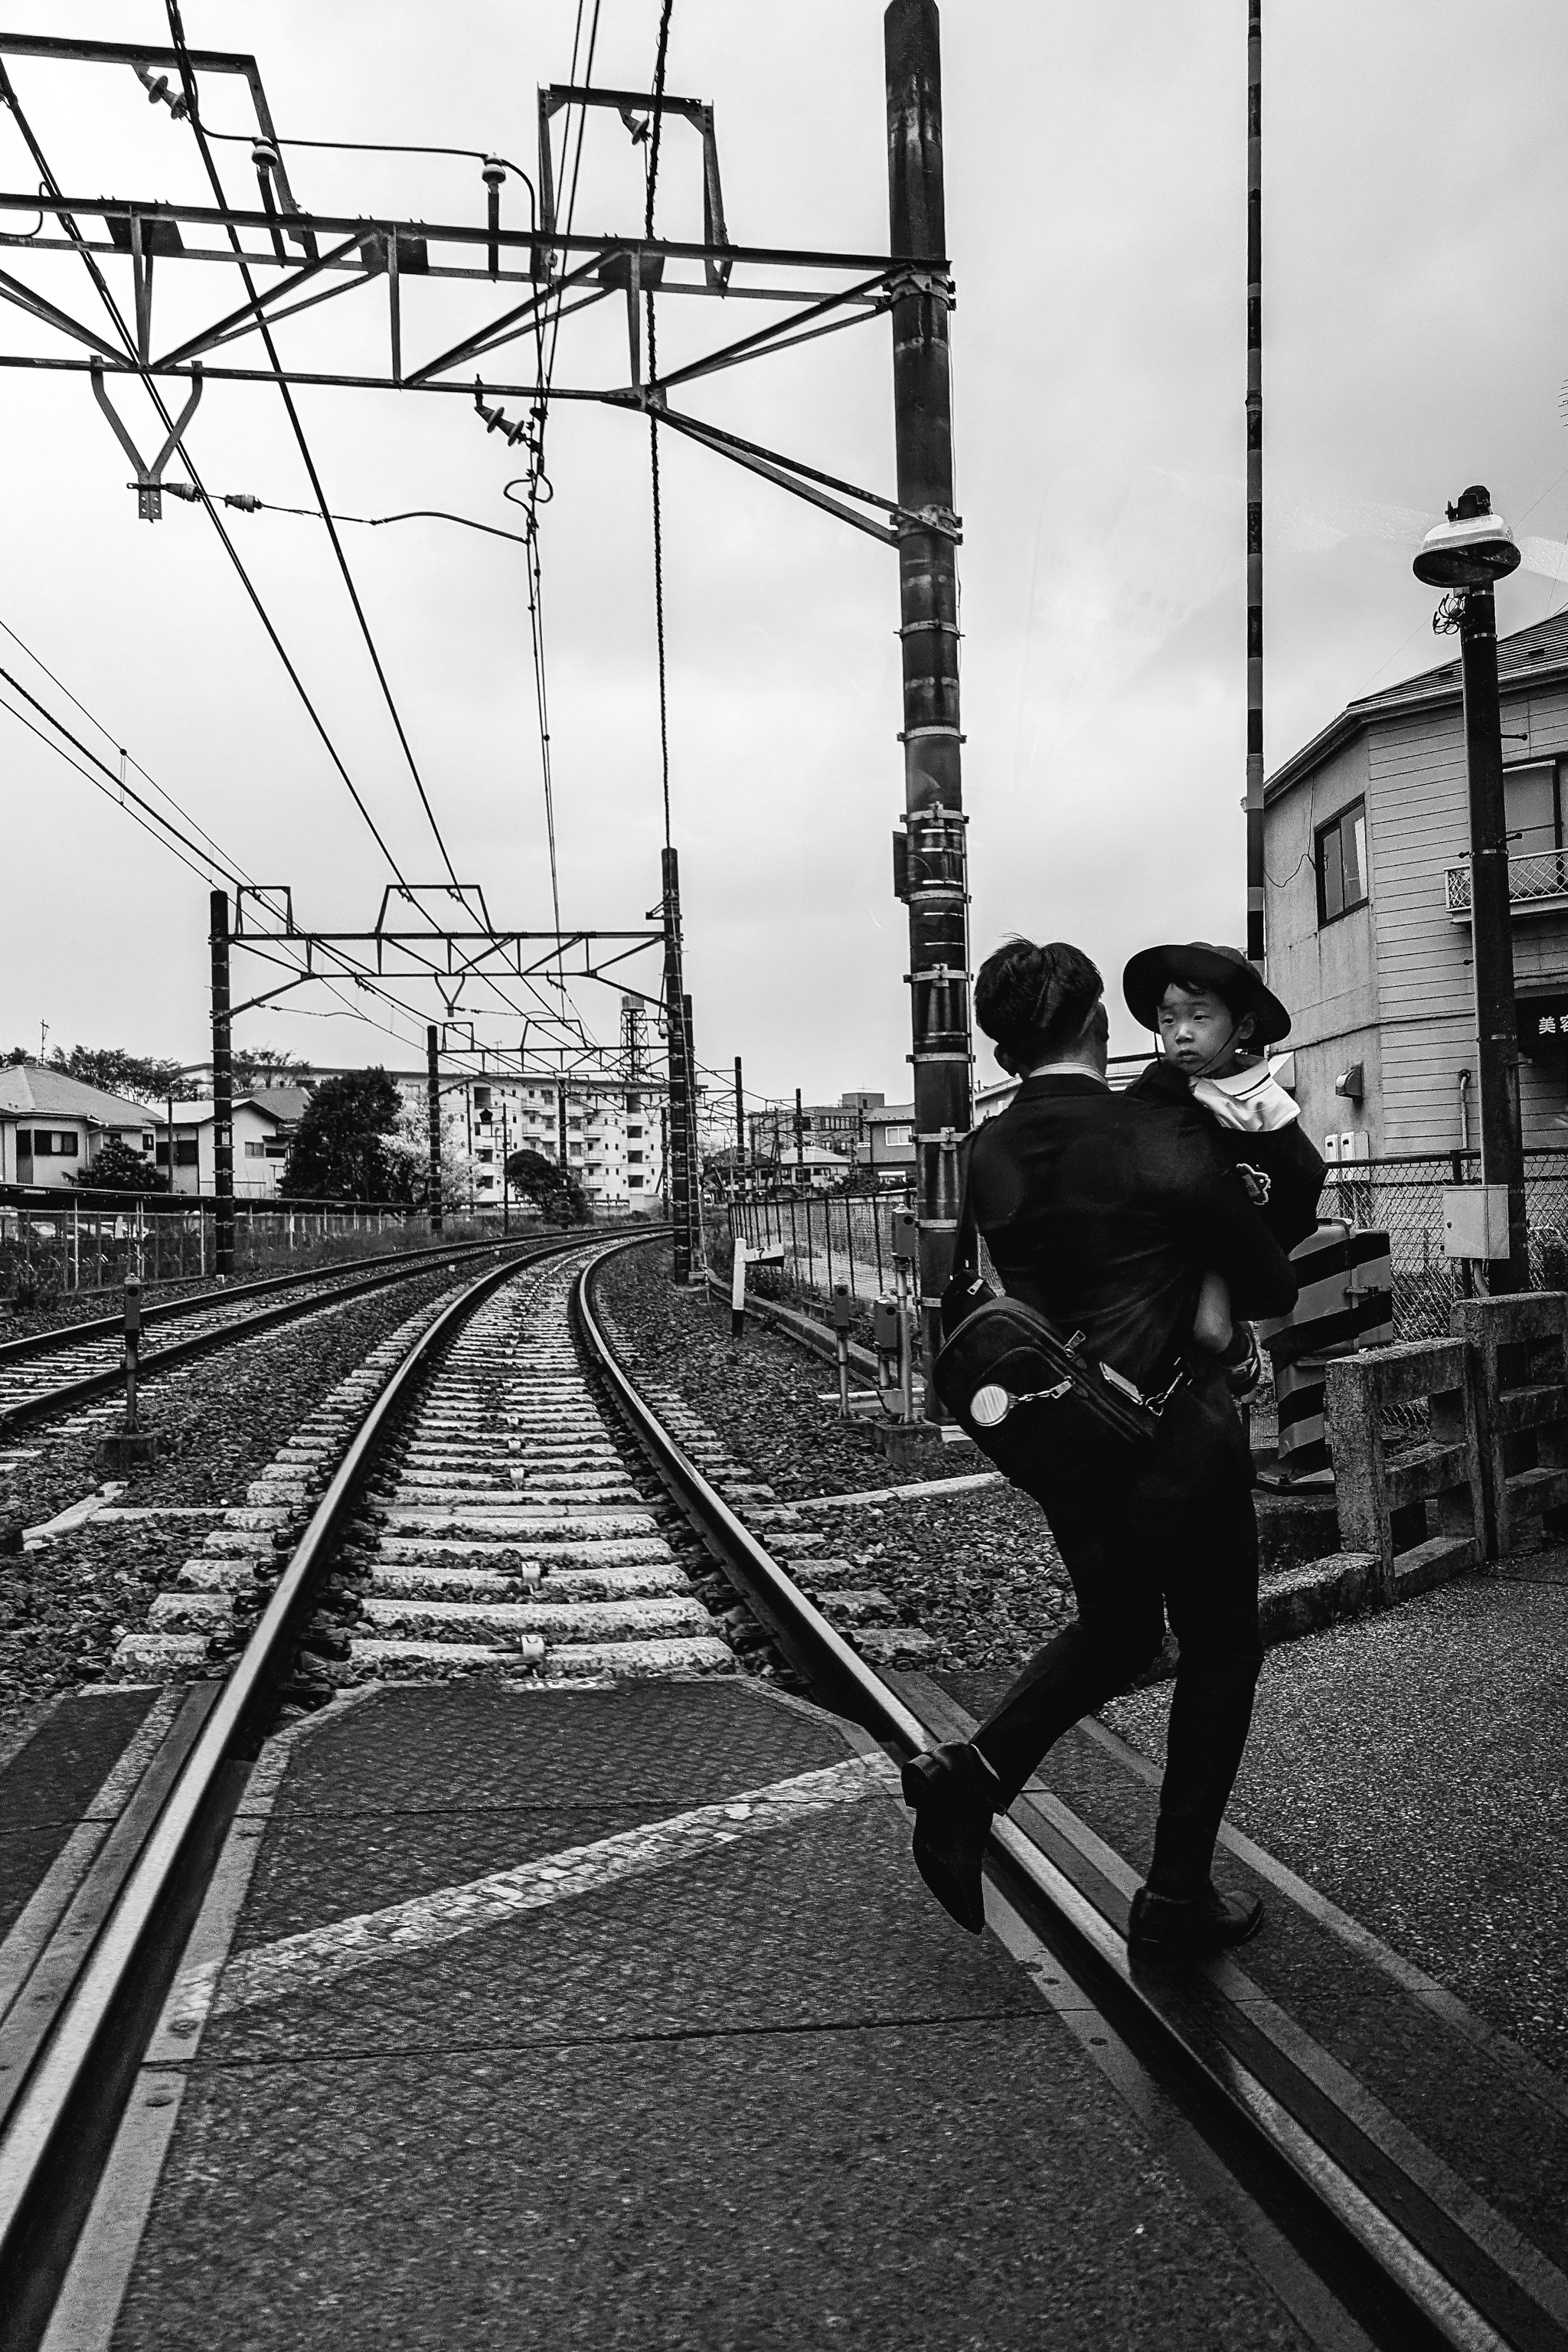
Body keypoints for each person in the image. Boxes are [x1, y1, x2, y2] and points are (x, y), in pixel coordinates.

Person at [902, 937, 1299, 1955]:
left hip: (1069, 1446)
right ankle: (1173, 1893)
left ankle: (969, 1784)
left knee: (1119, 1630)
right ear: (1095, 1030)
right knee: (1218, 1645)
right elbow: (1266, 1284)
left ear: (1006, 1048)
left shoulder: (989, 1152)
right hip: (1181, 1442)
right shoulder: (1156, 1136)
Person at [1122, 942, 1326, 1396]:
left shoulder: (1268, 1110)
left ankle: (1241, 1358)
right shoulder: (1151, 1097)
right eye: (1168, 1018)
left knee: (1211, 1330)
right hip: (1152, 1254)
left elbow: (1301, 1181)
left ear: (1244, 1025)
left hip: (1221, 1251)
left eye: (1199, 1016)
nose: (1181, 1034)